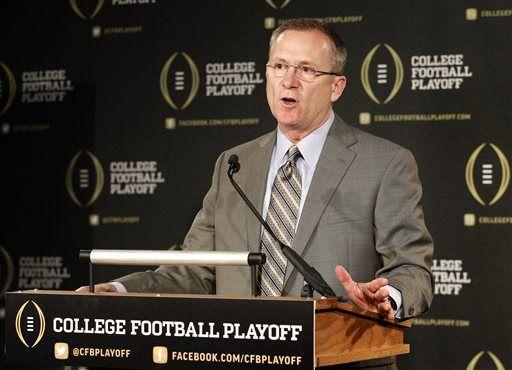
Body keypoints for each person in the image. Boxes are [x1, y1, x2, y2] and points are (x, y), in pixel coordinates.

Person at [78, 19, 434, 369]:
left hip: (340, 359)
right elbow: (192, 271)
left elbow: (412, 267)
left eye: (306, 69)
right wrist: (120, 292)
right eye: (279, 66)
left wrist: (388, 296)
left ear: (336, 87)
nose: (288, 80)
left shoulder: (385, 163)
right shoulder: (234, 164)